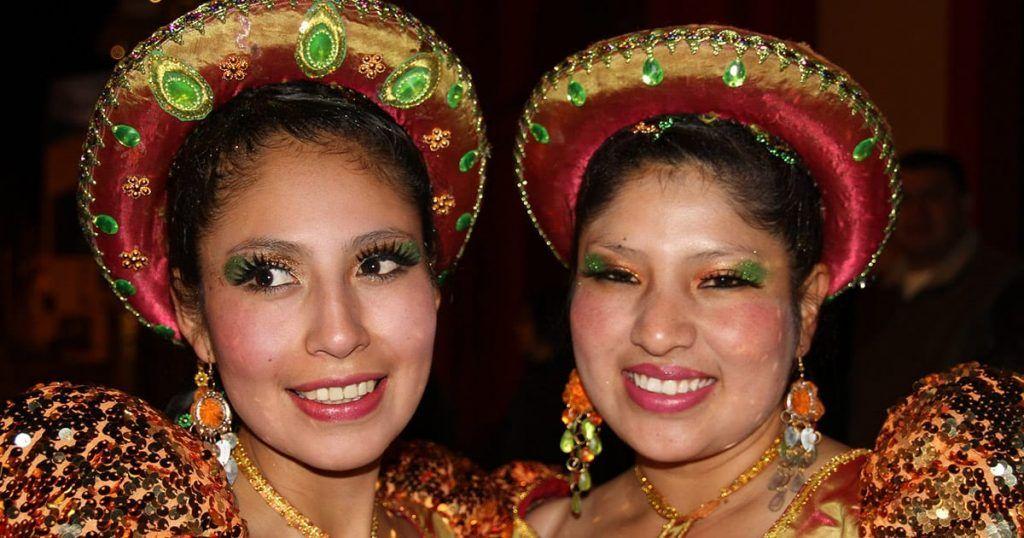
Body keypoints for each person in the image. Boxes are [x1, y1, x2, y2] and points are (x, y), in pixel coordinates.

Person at [0, 1, 512, 535]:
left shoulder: (469, 519)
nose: (339, 333)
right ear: (193, 315)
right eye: (270, 276)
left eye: (379, 263)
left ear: (432, 281)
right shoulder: (116, 517)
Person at [510, 25, 1024, 536]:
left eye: (722, 280)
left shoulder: (903, 520)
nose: (659, 331)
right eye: (618, 275)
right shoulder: (531, 529)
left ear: (805, 308)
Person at [846, 150, 1023, 446]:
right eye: (906, 200)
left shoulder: (1006, 290)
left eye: (932, 197)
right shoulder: (867, 295)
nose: (917, 213)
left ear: (964, 204)